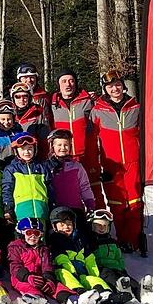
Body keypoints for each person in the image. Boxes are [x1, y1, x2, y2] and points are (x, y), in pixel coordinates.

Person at [91, 70, 144, 254]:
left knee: (136, 203)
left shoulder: (135, 107)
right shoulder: (97, 110)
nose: (115, 88)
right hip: (111, 165)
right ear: (105, 89)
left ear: (123, 86)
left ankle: (136, 240)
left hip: (133, 164)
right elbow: (92, 140)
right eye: (110, 86)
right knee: (117, 204)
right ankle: (123, 240)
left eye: (118, 84)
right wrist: (98, 165)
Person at [50, 68, 102, 206]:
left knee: (93, 191)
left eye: (71, 81)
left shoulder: (87, 101)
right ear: (58, 84)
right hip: (63, 157)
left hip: (86, 155)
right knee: (67, 194)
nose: (68, 84)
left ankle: (98, 224)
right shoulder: (52, 105)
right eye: (64, 81)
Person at [46, 207, 115, 304]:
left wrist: (93, 273)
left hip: (81, 271)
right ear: (55, 227)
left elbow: (89, 256)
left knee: (93, 279)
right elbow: (61, 258)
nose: (66, 227)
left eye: (69, 224)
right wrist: (72, 271)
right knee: (64, 274)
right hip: (67, 270)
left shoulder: (79, 238)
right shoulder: (56, 239)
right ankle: (80, 293)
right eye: (62, 225)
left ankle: (106, 293)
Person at [7, 217, 78, 304]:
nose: (33, 236)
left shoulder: (43, 249)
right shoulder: (15, 247)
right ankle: (37, 299)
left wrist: (49, 279)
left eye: (36, 233)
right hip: (23, 278)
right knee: (26, 286)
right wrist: (27, 277)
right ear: (21, 233)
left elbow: (47, 265)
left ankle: (70, 298)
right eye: (29, 233)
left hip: (41, 277)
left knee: (56, 286)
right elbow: (14, 265)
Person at [85, 209, 144, 302]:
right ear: (92, 226)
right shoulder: (90, 242)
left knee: (128, 279)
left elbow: (118, 256)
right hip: (103, 269)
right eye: (98, 225)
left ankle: (140, 290)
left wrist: (121, 268)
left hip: (117, 268)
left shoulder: (112, 242)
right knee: (112, 277)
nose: (102, 228)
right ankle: (120, 290)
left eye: (105, 225)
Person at [47, 129, 95, 228]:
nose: (63, 148)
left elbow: (85, 187)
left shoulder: (77, 166)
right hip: (57, 211)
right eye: (59, 145)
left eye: (66, 145)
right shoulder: (47, 167)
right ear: (52, 147)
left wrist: (90, 204)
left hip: (76, 209)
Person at [1, 133, 53, 225]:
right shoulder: (11, 169)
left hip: (41, 211)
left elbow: (50, 188)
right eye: (22, 149)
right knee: (25, 236)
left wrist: (52, 205)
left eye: (30, 149)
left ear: (35, 149)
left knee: (40, 236)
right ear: (16, 151)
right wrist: (8, 208)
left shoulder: (42, 167)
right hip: (22, 212)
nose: (27, 152)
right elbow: (7, 190)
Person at [10, 82, 50, 158]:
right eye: (17, 96)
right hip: (13, 160)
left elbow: (44, 141)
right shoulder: (9, 116)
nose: (22, 99)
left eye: (25, 96)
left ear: (30, 98)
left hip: (33, 158)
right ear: (13, 98)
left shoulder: (38, 113)